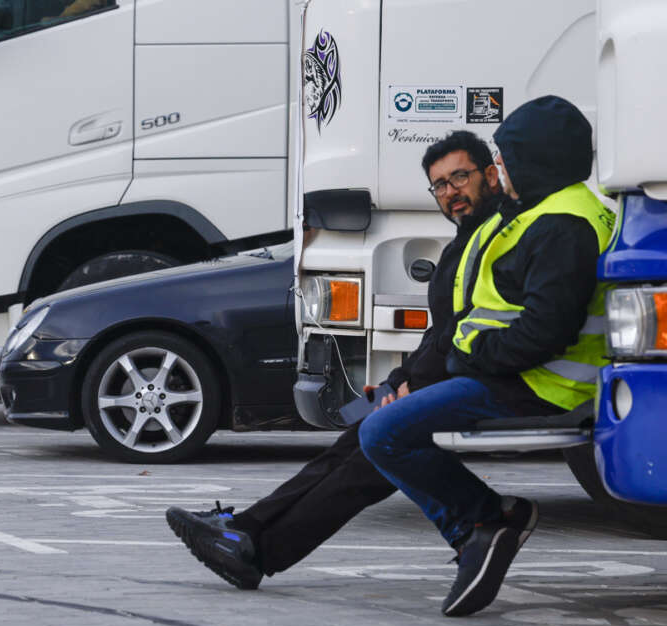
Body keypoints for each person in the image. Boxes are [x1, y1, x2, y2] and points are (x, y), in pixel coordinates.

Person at [165, 130, 508, 591]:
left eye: (460, 178)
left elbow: (469, 332)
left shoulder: (499, 237)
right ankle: (245, 531)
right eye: (440, 185)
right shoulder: (464, 243)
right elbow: (440, 334)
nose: (451, 193)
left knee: (369, 457)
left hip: (484, 382)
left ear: (489, 175)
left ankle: (256, 548)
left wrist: (410, 387)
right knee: (353, 445)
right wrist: (399, 379)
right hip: (448, 378)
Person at [357, 95, 615, 617]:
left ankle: (488, 521)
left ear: (535, 158)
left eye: (505, 158)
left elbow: (547, 329)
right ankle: (482, 530)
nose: (500, 170)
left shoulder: (562, 225)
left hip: (536, 386)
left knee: (380, 433)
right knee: (379, 425)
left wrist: (470, 358)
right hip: (517, 375)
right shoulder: (553, 211)